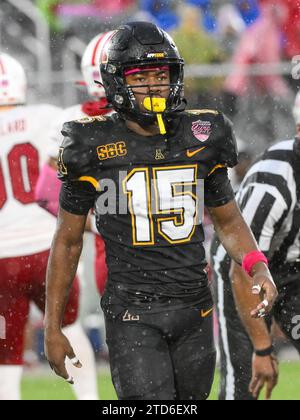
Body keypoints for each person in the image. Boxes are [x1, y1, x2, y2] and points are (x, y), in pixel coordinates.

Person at [44, 22, 277, 400]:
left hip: (195, 310)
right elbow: (67, 241)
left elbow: (228, 220)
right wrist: (53, 326)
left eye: (161, 74)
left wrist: (256, 263)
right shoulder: (91, 141)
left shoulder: (204, 133)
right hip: (133, 311)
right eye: (141, 76)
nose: (154, 85)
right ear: (116, 82)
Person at [0, 53, 96, 400]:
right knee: (69, 326)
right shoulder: (46, 118)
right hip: (48, 246)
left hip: (2, 256)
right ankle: (89, 399)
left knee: (6, 346)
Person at [211, 93, 300, 401]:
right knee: (246, 382)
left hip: (293, 268)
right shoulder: (274, 182)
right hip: (245, 265)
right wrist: (263, 348)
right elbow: (241, 270)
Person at [35, 31, 114, 297]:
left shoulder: (70, 120)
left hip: (107, 247)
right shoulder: (146, 120)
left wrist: (92, 224)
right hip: (142, 248)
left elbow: (45, 196)